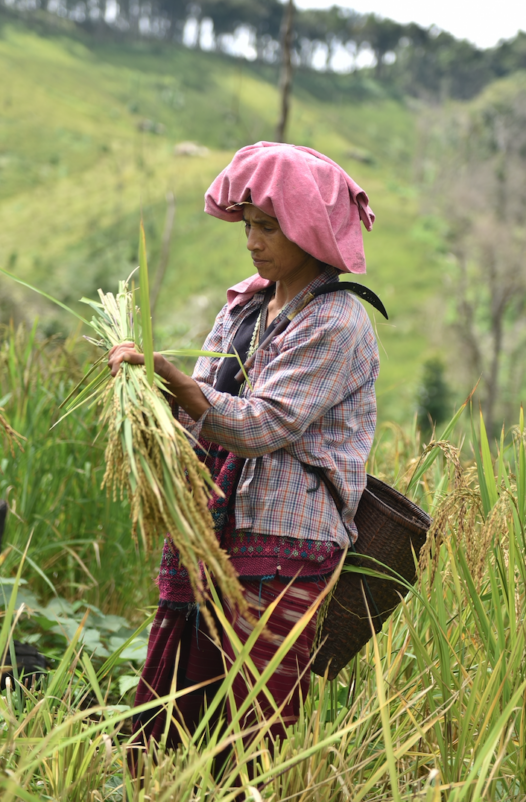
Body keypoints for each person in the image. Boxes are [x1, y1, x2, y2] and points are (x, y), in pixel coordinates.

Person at [108, 141, 380, 749]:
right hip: (212, 529)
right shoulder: (244, 306)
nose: (252, 241)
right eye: (248, 225)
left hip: (284, 544)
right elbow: (201, 407)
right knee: (175, 708)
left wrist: (176, 382)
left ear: (310, 231)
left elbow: (261, 426)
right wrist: (147, 400)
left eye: (269, 227)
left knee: (251, 723)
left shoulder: (336, 323)